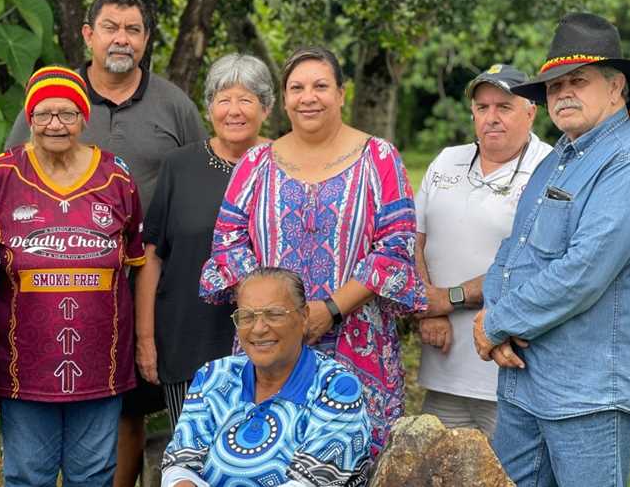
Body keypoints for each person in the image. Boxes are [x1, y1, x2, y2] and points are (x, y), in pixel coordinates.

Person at [5, 0, 206, 486]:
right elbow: (9, 179)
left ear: (146, 39)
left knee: (129, 403)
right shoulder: (55, 99)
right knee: (55, 410)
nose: (122, 39)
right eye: (111, 28)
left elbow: (204, 174)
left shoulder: (174, 105)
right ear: (88, 35)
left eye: (133, 30)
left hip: (147, 277)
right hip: (52, 287)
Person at [473, 13, 630, 486]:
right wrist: (496, 317)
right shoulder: (559, 157)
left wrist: (496, 323)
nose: (562, 93)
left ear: (616, 86)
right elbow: (514, 248)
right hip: (526, 376)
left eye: (577, 81)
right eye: (554, 84)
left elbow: (583, 271)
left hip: (588, 390)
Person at [200, 46, 426, 456]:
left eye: (321, 86)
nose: (309, 97)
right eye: (297, 88)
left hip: (358, 346)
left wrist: (331, 309)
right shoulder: (255, 163)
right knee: (267, 459)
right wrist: (278, 314)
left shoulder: (379, 159)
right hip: (268, 344)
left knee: (349, 462)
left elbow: (396, 247)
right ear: (283, 99)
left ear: (341, 94)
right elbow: (228, 246)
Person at [0, 66, 145, 486]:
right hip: (22, 367)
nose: (55, 124)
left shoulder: (116, 177)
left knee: (94, 475)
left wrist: (143, 342)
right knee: (29, 475)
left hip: (100, 364)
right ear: (29, 118)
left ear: (84, 118)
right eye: (44, 114)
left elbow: (136, 268)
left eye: (67, 114)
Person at [135, 54, 273, 428]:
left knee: (260, 458)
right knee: (193, 460)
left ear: (266, 108)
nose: (233, 111)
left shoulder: (283, 163)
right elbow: (152, 256)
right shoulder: (180, 165)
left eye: (246, 100)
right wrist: (145, 337)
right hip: (185, 341)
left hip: (268, 342)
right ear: (209, 106)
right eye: (223, 99)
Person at [414, 64, 552, 437]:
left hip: (509, 375)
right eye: (482, 107)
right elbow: (416, 238)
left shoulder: (550, 169)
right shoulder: (447, 160)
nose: (491, 118)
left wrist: (448, 299)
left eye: (504, 107)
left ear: (531, 110)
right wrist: (428, 310)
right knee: (435, 471)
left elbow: (533, 264)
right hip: (442, 368)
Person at [162, 267, 371, 485]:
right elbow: (181, 462)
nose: (259, 329)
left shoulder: (337, 389)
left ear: (304, 316)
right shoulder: (214, 376)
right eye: (247, 316)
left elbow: (310, 482)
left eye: (274, 314)